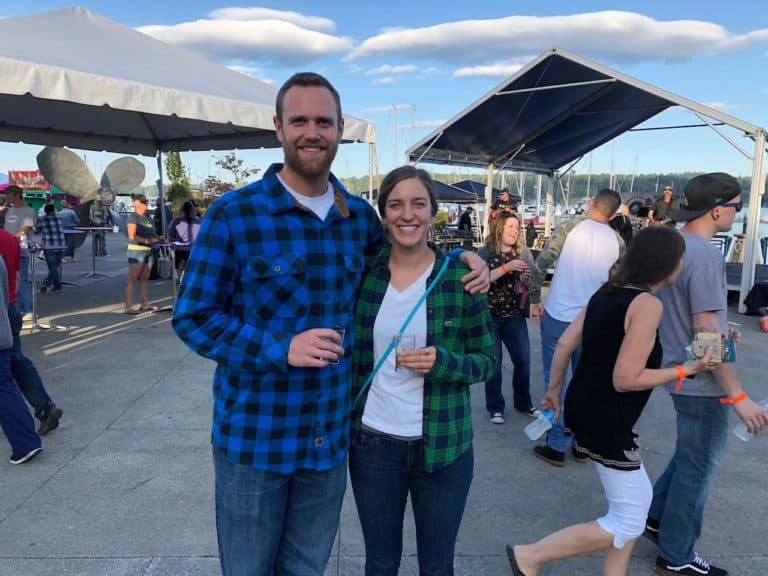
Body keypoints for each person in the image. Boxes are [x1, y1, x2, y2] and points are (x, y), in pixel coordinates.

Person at [172, 72, 488, 576]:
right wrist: (280, 347)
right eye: (300, 120)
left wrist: (469, 258)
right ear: (278, 128)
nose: (312, 132)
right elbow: (192, 318)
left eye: (324, 121)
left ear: (340, 130)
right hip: (255, 442)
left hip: (328, 445)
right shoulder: (234, 216)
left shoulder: (359, 220)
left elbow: (411, 256)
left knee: (305, 569)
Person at [507, 227, 714, 576]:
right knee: (630, 520)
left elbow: (563, 345)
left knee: (632, 508)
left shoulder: (607, 292)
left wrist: (554, 391)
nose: (682, 264)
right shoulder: (647, 304)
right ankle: (531, 556)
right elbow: (626, 378)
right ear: (665, 263)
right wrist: (684, 370)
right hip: (606, 417)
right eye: (680, 258)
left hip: (585, 407)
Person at [349, 166, 494, 576]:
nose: (406, 214)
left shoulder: (460, 278)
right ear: (384, 214)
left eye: (418, 204)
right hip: (373, 444)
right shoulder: (364, 273)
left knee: (436, 564)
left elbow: (488, 361)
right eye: (395, 204)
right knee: (380, 562)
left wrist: (442, 362)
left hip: (444, 447)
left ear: (434, 211)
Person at [644, 173, 768, 576]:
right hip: (702, 382)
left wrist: (717, 324)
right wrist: (737, 396)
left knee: (689, 456)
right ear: (717, 209)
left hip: (677, 373)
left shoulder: (673, 246)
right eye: (735, 207)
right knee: (699, 469)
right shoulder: (707, 255)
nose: (737, 213)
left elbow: (695, 318)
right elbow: (706, 334)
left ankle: (657, 518)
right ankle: (676, 555)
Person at [529, 188, 624, 467]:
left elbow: (542, 263)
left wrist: (535, 299)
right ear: (614, 214)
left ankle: (557, 443)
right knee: (586, 381)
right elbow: (619, 283)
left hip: (558, 315)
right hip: (592, 321)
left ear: (591, 203)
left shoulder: (570, 228)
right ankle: (582, 442)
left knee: (554, 380)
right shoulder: (618, 241)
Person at [477, 212, 540, 423]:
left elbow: (530, 284)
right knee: (494, 364)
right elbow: (482, 279)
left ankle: (524, 403)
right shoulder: (485, 252)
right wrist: (507, 267)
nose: (514, 230)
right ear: (500, 228)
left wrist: (525, 279)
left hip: (514, 315)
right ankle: (495, 407)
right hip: (490, 316)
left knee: (523, 360)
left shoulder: (523, 253)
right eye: (510, 226)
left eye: (516, 227)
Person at [0, 227, 62, 435]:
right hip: (10, 306)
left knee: (6, 374)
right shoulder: (10, 240)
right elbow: (17, 279)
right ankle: (44, 408)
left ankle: (25, 422)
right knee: (17, 361)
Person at [0, 256, 43, 465]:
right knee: (5, 387)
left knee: (3, 388)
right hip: (3, 329)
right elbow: (10, 289)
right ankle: (26, 441)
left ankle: (25, 443)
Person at [2, 185, 35, 321]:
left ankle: (28, 309)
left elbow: (25, 229)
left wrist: (11, 240)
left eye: (9, 194)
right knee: (8, 280)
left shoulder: (29, 211)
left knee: (21, 280)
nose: (7, 197)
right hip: (6, 250)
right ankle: (17, 308)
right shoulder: (8, 211)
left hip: (20, 250)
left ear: (17, 195)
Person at [124, 193, 159, 314]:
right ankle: (128, 306)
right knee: (132, 279)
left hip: (149, 251)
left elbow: (153, 233)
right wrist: (146, 241)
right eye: (143, 202)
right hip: (136, 251)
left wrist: (159, 238)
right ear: (136, 204)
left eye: (146, 202)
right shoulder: (133, 217)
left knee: (145, 279)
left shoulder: (148, 217)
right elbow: (132, 235)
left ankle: (144, 303)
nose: (146, 204)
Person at [35, 203, 66, 293]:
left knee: (52, 267)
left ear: (45, 211)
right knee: (55, 266)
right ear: (54, 210)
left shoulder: (42, 219)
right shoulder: (60, 217)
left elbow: (37, 230)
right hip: (61, 245)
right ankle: (47, 281)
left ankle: (57, 286)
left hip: (49, 246)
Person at [167, 200, 201, 281]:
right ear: (193, 210)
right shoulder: (198, 221)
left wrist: (176, 238)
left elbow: (170, 235)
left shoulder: (177, 221)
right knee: (192, 271)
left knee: (180, 270)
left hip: (180, 249)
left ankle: (180, 280)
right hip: (193, 249)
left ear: (182, 209)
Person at [89, 189, 109, 256]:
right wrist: (97, 221)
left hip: (99, 224)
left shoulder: (103, 207)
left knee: (100, 239)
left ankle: (100, 252)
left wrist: (100, 221)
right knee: (98, 239)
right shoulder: (93, 207)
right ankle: (97, 252)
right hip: (97, 224)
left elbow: (105, 216)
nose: (98, 202)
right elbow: (91, 216)